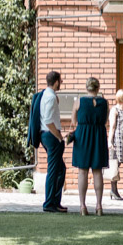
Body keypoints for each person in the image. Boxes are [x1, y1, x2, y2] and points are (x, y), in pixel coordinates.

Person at [71, 77, 109, 216]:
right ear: (98, 88)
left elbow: (74, 121)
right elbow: (105, 120)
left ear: (86, 88)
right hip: (99, 135)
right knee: (97, 171)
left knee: (83, 171)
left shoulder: (78, 101)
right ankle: (99, 206)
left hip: (83, 136)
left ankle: (82, 206)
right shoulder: (105, 102)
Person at [41, 70, 68, 213]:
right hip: (51, 136)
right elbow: (47, 120)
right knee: (54, 170)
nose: (61, 83)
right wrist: (58, 136)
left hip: (47, 136)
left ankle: (55, 202)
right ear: (56, 81)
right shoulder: (50, 97)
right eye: (60, 80)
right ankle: (49, 203)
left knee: (60, 169)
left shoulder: (47, 94)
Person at [105, 89, 123, 201]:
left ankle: (114, 190)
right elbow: (112, 127)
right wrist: (110, 142)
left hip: (121, 141)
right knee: (114, 164)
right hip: (116, 140)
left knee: (117, 164)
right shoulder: (114, 110)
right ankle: (113, 190)